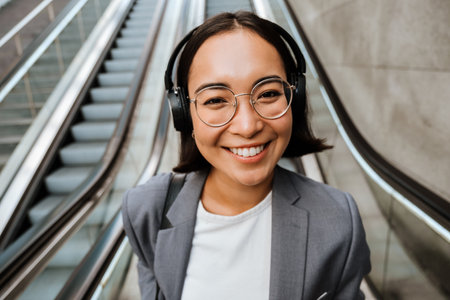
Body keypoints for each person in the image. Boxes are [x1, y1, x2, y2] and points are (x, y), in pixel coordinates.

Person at [122, 11, 371, 300]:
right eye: (215, 100)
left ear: (295, 98)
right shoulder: (146, 210)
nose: (247, 126)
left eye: (267, 94)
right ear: (184, 115)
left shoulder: (338, 220)